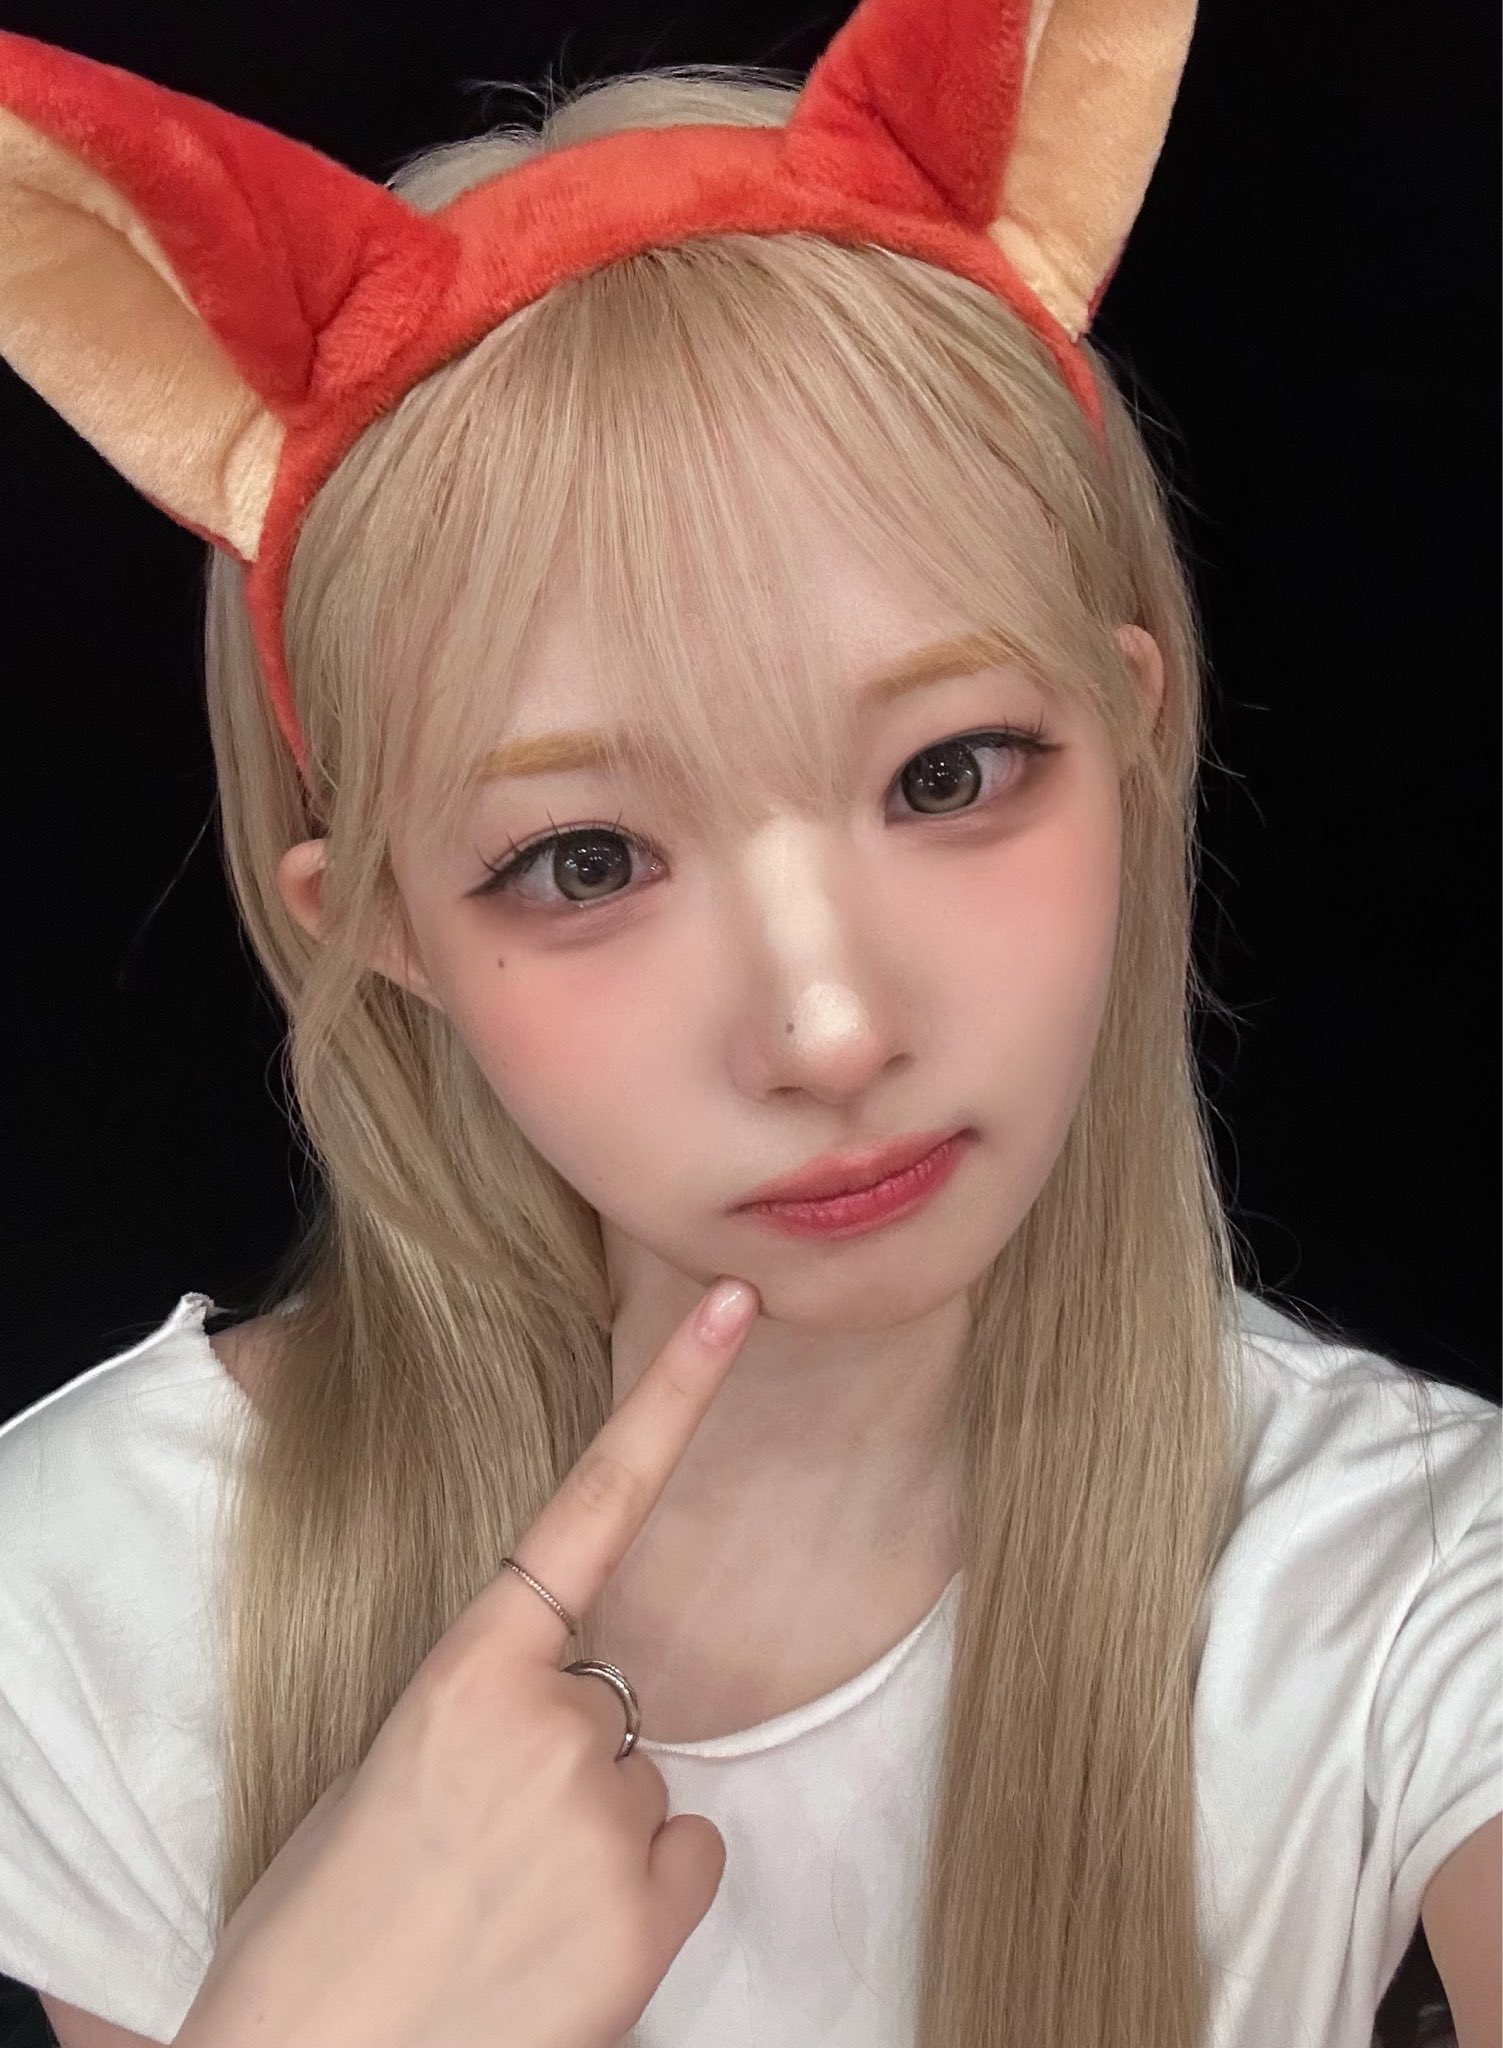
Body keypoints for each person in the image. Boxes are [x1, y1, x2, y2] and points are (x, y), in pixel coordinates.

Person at [0, 4, 1497, 2047]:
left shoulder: (1413, 1579)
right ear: (390, 935)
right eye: (585, 860)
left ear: (1133, 733)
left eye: (950, 773)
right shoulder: (95, 1594)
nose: (826, 1026)